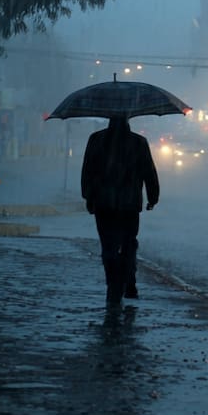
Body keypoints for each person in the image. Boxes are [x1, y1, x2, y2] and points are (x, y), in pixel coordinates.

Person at [80, 115, 160, 304]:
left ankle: (113, 283)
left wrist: (88, 197)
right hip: (129, 204)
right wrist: (153, 197)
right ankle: (129, 282)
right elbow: (149, 171)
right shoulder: (138, 142)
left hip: (103, 204)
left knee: (108, 245)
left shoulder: (96, 140)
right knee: (128, 244)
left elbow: (87, 172)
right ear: (127, 122)